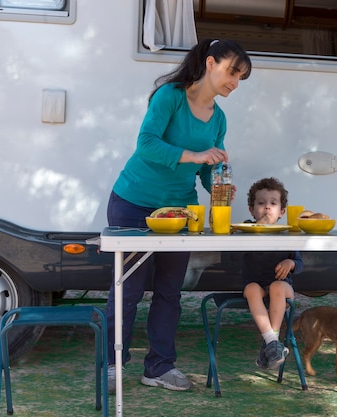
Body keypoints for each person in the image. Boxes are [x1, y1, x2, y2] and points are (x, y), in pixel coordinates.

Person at [104, 39, 251, 393]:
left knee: (170, 293)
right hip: (134, 203)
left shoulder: (218, 118)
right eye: (232, 72)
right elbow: (147, 144)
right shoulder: (170, 95)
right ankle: (110, 365)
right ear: (211, 63)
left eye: (241, 78)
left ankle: (158, 367)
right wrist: (197, 156)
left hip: (178, 212)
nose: (235, 82)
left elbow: (203, 170)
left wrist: (217, 184)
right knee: (128, 290)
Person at [242, 178, 304, 369]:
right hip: (256, 286)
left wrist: (290, 262)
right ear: (251, 210)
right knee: (252, 288)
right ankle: (273, 344)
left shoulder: (287, 234)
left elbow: (300, 264)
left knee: (277, 286)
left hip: (282, 287)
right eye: (261, 203)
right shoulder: (244, 231)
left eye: (273, 203)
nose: (267, 207)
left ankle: (270, 342)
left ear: (281, 212)